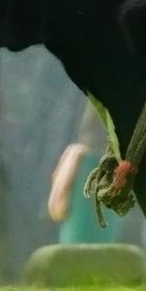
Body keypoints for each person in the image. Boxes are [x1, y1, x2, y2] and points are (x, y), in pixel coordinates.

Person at [46, 104, 122, 244]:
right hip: (102, 248)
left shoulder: (77, 157)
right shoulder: (114, 164)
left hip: (74, 246)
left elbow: (56, 208)